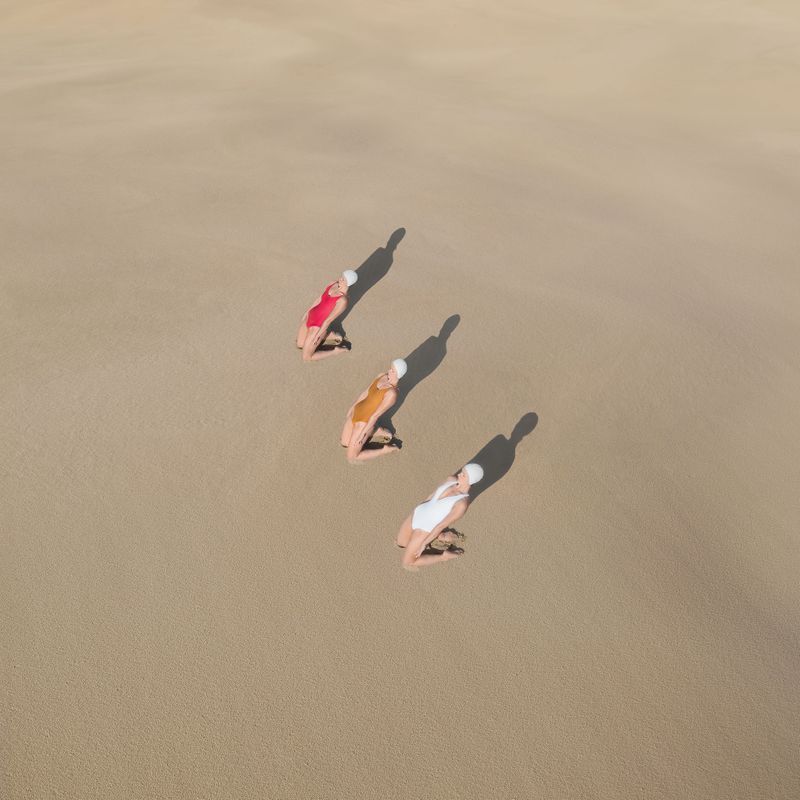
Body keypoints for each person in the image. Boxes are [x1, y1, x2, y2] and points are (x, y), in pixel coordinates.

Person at [395, 463, 484, 569]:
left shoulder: (461, 504)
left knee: (408, 562)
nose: (459, 474)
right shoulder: (451, 479)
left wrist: (424, 543)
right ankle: (440, 536)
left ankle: (444, 556)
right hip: (416, 514)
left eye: (463, 475)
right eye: (462, 472)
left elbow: (441, 525)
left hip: (424, 529)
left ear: (470, 481)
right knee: (401, 543)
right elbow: (430, 496)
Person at [340, 359, 407, 463]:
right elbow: (365, 392)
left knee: (352, 457)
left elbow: (375, 416)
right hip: (356, 412)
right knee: (344, 443)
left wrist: (362, 435)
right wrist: (352, 406)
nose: (389, 370)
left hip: (364, 423)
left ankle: (384, 449)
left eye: (392, 371)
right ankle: (377, 431)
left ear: (398, 375)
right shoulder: (381, 376)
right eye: (390, 368)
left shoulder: (392, 394)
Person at [296, 270, 357, 361]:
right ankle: (331, 336)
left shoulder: (342, 301)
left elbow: (328, 320)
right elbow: (319, 299)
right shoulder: (332, 284)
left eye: (343, 279)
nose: (340, 279)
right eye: (341, 276)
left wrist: (318, 335)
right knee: (300, 344)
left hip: (317, 327)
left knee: (307, 357)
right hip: (310, 317)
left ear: (348, 284)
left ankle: (335, 351)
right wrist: (307, 312)